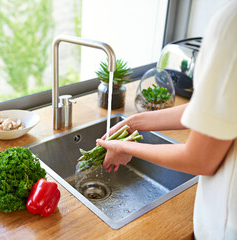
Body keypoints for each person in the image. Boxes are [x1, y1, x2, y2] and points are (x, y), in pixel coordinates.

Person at [96, 1, 237, 239]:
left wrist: (122, 145)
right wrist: (135, 122)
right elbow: (213, 109)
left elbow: (200, 159)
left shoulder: (230, 26)